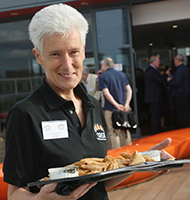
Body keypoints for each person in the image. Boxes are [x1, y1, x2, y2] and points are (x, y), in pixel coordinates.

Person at [3, 4, 174, 200]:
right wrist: (41, 199)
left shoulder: (93, 105)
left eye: (73, 52)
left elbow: (98, 180)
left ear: (83, 51)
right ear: (38, 56)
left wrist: (144, 161)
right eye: (55, 54)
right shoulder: (25, 114)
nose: (67, 65)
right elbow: (14, 193)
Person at [99, 57, 132, 149]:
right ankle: (129, 152)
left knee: (113, 132)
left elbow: (106, 93)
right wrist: (127, 104)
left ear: (105, 65)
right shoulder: (122, 75)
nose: (101, 67)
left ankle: (116, 155)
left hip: (110, 109)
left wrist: (116, 105)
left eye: (101, 65)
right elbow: (129, 90)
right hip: (124, 109)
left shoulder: (103, 76)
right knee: (125, 131)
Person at [166, 54, 190, 128]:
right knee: (186, 113)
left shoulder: (179, 69)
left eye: (174, 60)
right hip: (185, 93)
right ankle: (188, 129)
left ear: (178, 60)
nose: (174, 62)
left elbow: (177, 82)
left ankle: (187, 130)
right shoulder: (186, 68)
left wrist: (169, 80)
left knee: (183, 114)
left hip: (180, 94)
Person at [144, 56, 168, 135]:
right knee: (155, 116)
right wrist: (166, 75)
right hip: (153, 97)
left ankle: (156, 131)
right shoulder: (152, 71)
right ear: (153, 62)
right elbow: (160, 80)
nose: (159, 63)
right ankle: (155, 133)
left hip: (153, 97)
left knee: (155, 115)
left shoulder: (150, 70)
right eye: (158, 61)